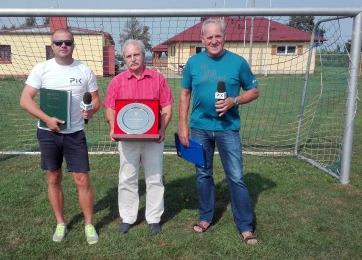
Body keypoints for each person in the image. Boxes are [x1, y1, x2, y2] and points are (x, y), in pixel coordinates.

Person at [178, 18, 260, 245]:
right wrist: (183, 125)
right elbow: (185, 94)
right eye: (209, 37)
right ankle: (205, 217)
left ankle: (245, 226)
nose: (214, 40)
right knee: (203, 175)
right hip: (199, 128)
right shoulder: (193, 63)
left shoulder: (238, 62)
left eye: (218, 36)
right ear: (202, 39)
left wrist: (235, 100)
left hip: (227, 129)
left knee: (235, 176)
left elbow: (254, 91)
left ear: (224, 37)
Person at [19, 28, 101, 245]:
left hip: (75, 134)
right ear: (52, 45)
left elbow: (95, 99)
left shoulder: (84, 70)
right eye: (59, 42)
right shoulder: (42, 69)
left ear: (73, 45)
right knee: (53, 177)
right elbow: (25, 100)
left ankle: (89, 224)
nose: (63, 45)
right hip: (48, 133)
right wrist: (46, 119)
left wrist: (91, 110)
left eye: (67, 42)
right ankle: (60, 222)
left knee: (82, 179)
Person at [104, 39, 174, 235]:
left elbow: (167, 106)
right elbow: (110, 108)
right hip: (127, 140)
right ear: (124, 58)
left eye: (136, 55)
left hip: (152, 139)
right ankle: (128, 217)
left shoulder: (158, 78)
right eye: (128, 56)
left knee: (154, 178)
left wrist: (162, 129)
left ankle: (153, 218)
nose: (133, 59)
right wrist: (112, 127)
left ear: (144, 56)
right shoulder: (116, 81)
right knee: (127, 178)